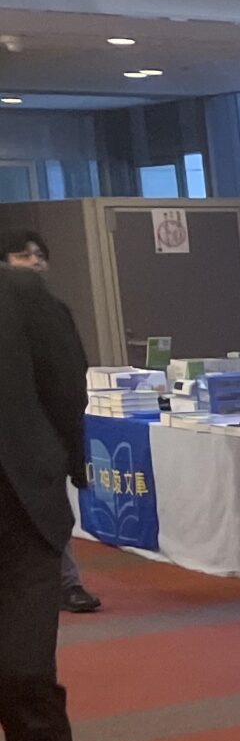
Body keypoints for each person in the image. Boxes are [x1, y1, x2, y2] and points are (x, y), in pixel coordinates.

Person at [0, 230, 91, 741]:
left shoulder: (24, 295)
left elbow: (67, 388)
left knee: (27, 680)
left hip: (18, 522)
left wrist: (58, 466)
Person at [0, 234, 100, 615]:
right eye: (22, 255)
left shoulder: (53, 310)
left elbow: (70, 381)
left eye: (39, 255)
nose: (34, 262)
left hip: (37, 445)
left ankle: (68, 583)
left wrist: (70, 453)